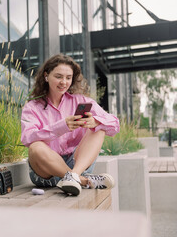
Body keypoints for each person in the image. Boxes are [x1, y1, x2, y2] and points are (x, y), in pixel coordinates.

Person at [21, 54, 120, 196]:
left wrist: (95, 122)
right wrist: (62, 126)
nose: (64, 82)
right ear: (46, 76)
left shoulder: (81, 101)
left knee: (99, 128)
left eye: (68, 78)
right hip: (46, 172)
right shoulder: (32, 107)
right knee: (35, 147)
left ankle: (73, 176)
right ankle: (84, 181)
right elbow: (27, 138)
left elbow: (115, 124)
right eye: (59, 76)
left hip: (77, 165)